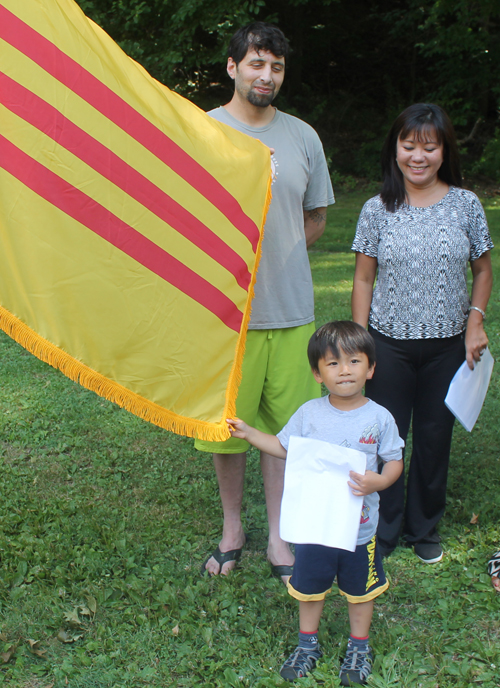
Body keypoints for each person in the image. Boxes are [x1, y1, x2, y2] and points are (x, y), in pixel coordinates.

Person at [195, 22, 335, 581]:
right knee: (230, 429)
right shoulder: (201, 132)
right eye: (256, 63)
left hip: (294, 310)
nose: (266, 75)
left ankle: (279, 538)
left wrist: (277, 253)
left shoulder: (303, 137)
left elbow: (318, 215)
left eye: (275, 66)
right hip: (228, 320)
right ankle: (234, 528)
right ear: (233, 68)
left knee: (285, 433)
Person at [351, 103, 493, 564]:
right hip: (387, 345)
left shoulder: (466, 204)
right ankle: (385, 529)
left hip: (447, 347)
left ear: (443, 151)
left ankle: (424, 528)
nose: (418, 156)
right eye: (409, 145)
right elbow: (363, 280)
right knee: (387, 439)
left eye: (429, 147)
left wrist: (475, 321)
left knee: (434, 437)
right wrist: (359, 344)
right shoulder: (377, 209)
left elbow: (484, 270)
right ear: (395, 149)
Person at [228, 321, 404, 685]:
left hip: (360, 529)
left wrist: (382, 479)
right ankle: (307, 645)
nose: (345, 371)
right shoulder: (309, 414)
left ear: (370, 368)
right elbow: (283, 447)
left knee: (360, 591)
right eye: (333, 363)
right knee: (309, 587)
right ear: (317, 373)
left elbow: (395, 458)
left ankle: (359, 647)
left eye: (354, 362)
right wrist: (249, 433)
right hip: (314, 528)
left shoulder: (379, 417)